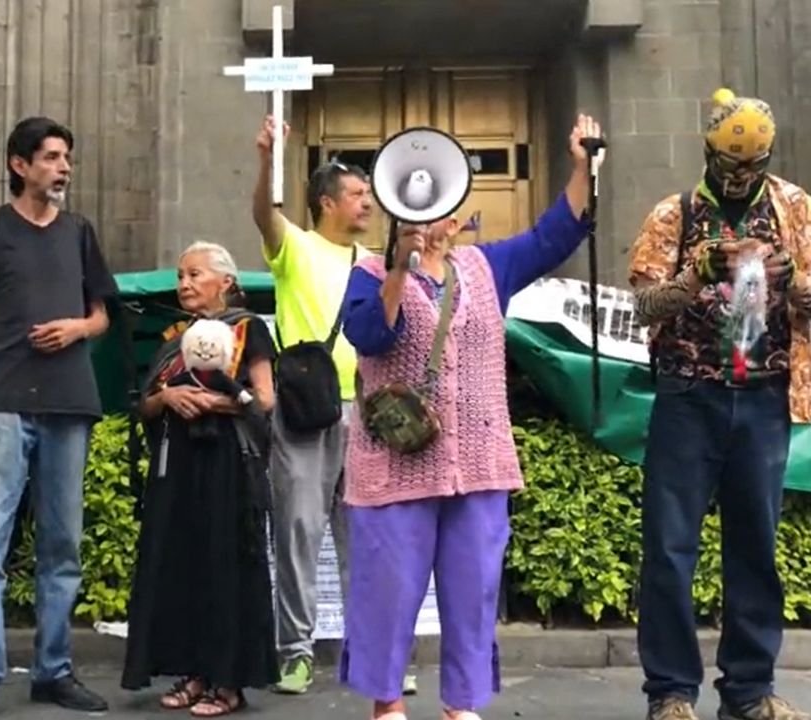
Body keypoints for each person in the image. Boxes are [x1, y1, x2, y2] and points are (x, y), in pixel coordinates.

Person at [337, 114, 600, 720]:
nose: (431, 220)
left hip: (478, 465)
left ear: (456, 214)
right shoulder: (370, 273)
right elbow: (370, 334)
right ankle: (387, 703)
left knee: (473, 592)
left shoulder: (486, 269)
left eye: (441, 209)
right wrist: (400, 266)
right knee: (389, 591)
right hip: (395, 465)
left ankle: (462, 704)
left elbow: (553, 236)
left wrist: (582, 166)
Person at [629, 89, 811, 720]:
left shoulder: (793, 209)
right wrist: (695, 274)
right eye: (730, 164)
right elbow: (643, 306)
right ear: (706, 150)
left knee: (756, 546)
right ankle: (672, 692)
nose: (741, 177)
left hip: (762, 397)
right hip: (688, 397)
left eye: (753, 165)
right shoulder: (674, 214)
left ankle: (750, 690)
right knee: (671, 547)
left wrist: (794, 284)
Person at [0, 116, 117, 720]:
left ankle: (54, 670)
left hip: (69, 401)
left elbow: (103, 315)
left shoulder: (79, 232)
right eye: (50, 157)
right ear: (20, 165)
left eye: (66, 156)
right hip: (2, 400)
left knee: (62, 546)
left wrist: (78, 326)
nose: (63, 167)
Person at [252, 115, 405, 695]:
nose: (368, 202)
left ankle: (374, 655)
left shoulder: (376, 262)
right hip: (304, 412)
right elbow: (264, 215)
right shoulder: (295, 247)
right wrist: (270, 159)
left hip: (367, 414)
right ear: (325, 202)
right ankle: (295, 651)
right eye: (358, 194)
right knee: (297, 530)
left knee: (366, 536)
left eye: (369, 194)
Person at [120, 242, 278, 717]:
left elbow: (265, 400)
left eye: (195, 275)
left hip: (228, 462)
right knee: (181, 563)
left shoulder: (248, 332)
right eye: (181, 276)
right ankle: (192, 672)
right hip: (178, 464)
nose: (184, 284)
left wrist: (219, 403)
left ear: (225, 283)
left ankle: (227, 682)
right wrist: (167, 399)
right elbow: (144, 404)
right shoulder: (173, 338)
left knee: (224, 564)